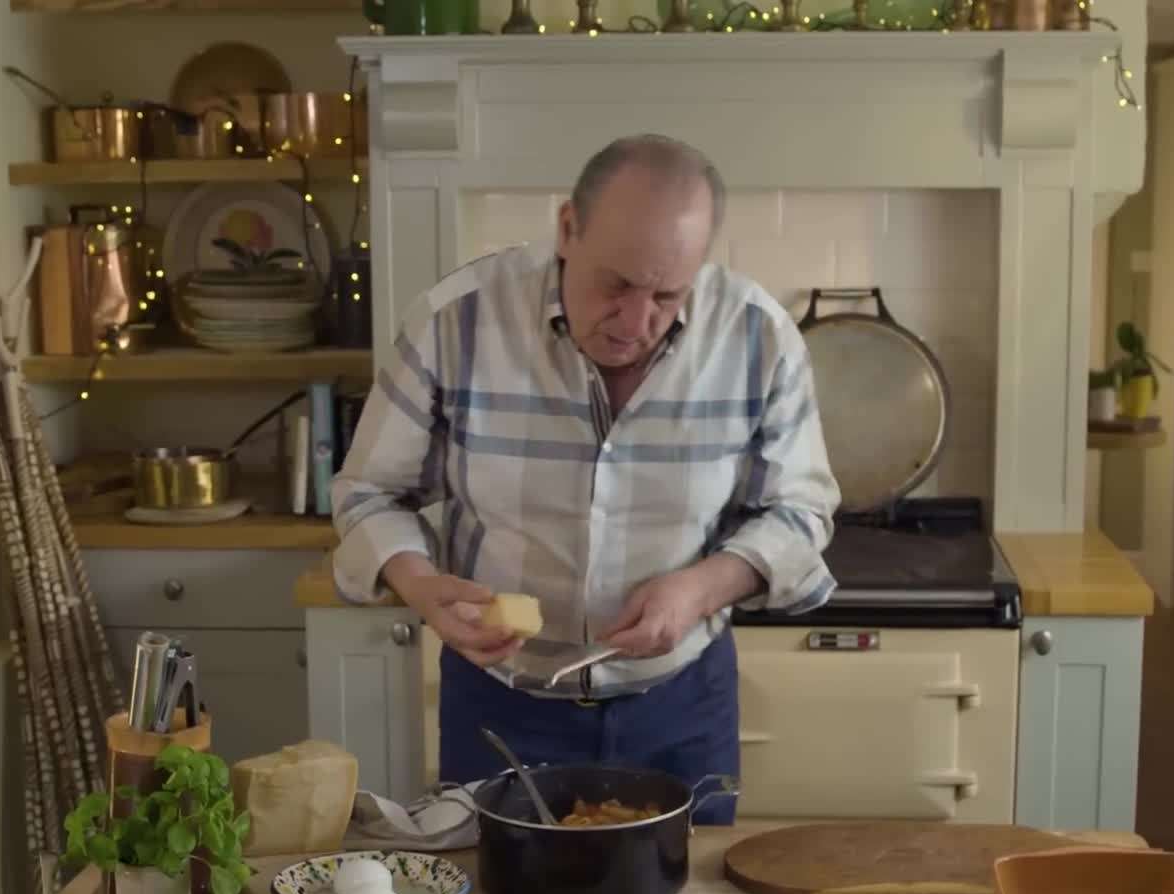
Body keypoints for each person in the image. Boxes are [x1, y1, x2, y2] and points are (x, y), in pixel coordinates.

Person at [329, 134, 839, 824]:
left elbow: (802, 513)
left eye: (667, 294)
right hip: (499, 707)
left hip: (682, 704)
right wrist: (421, 586)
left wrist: (701, 587)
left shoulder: (759, 339)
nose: (636, 323)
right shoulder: (456, 323)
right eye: (617, 284)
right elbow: (368, 495)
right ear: (568, 228)